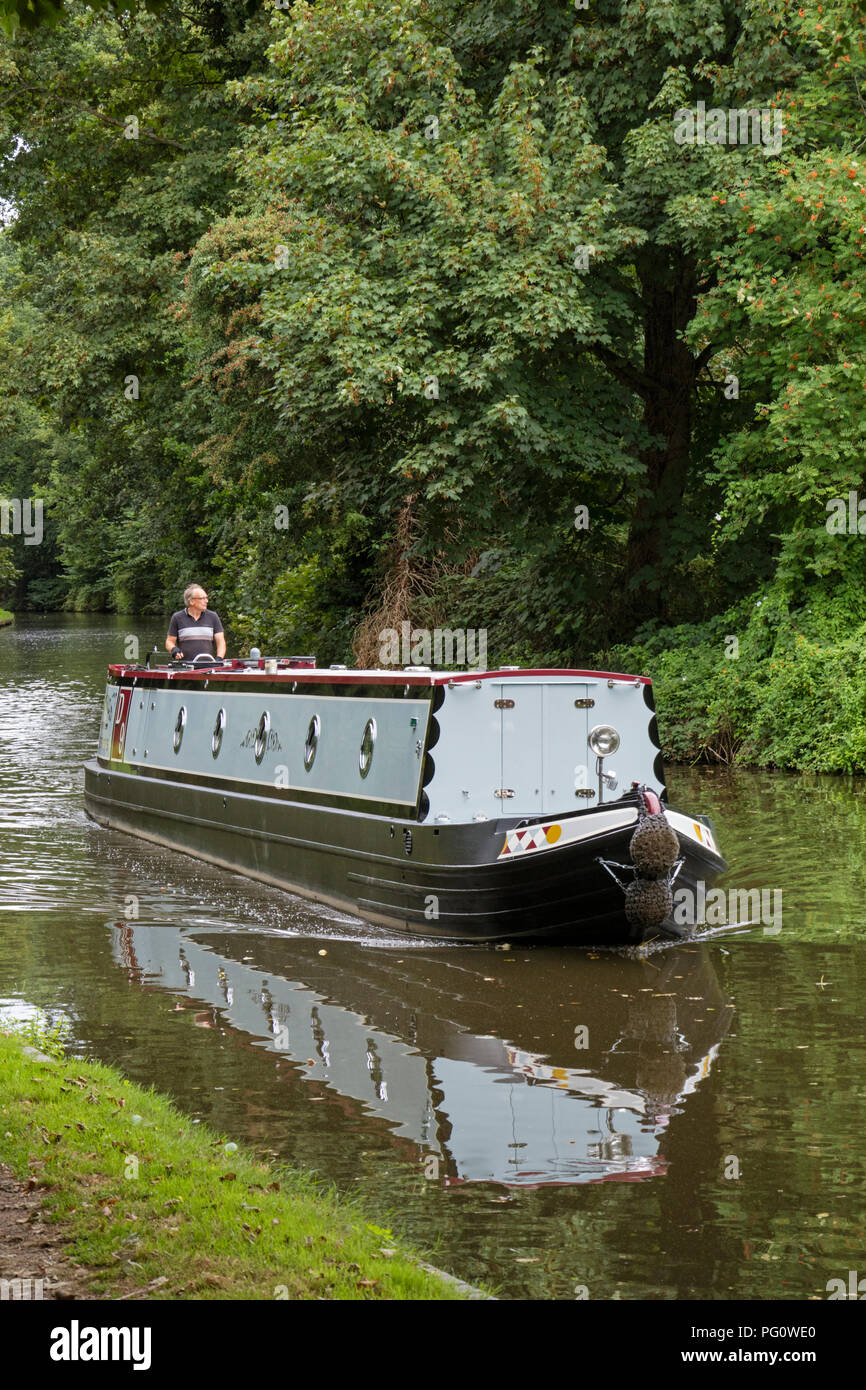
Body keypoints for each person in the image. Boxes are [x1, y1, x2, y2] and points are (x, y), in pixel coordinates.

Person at [165, 585, 226, 662]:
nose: (206, 601)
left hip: (208, 666)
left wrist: (219, 658)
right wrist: (174, 649)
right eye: (202, 598)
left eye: (206, 598)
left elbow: (221, 642)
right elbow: (169, 641)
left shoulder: (213, 616)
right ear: (191, 601)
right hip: (185, 666)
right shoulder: (177, 617)